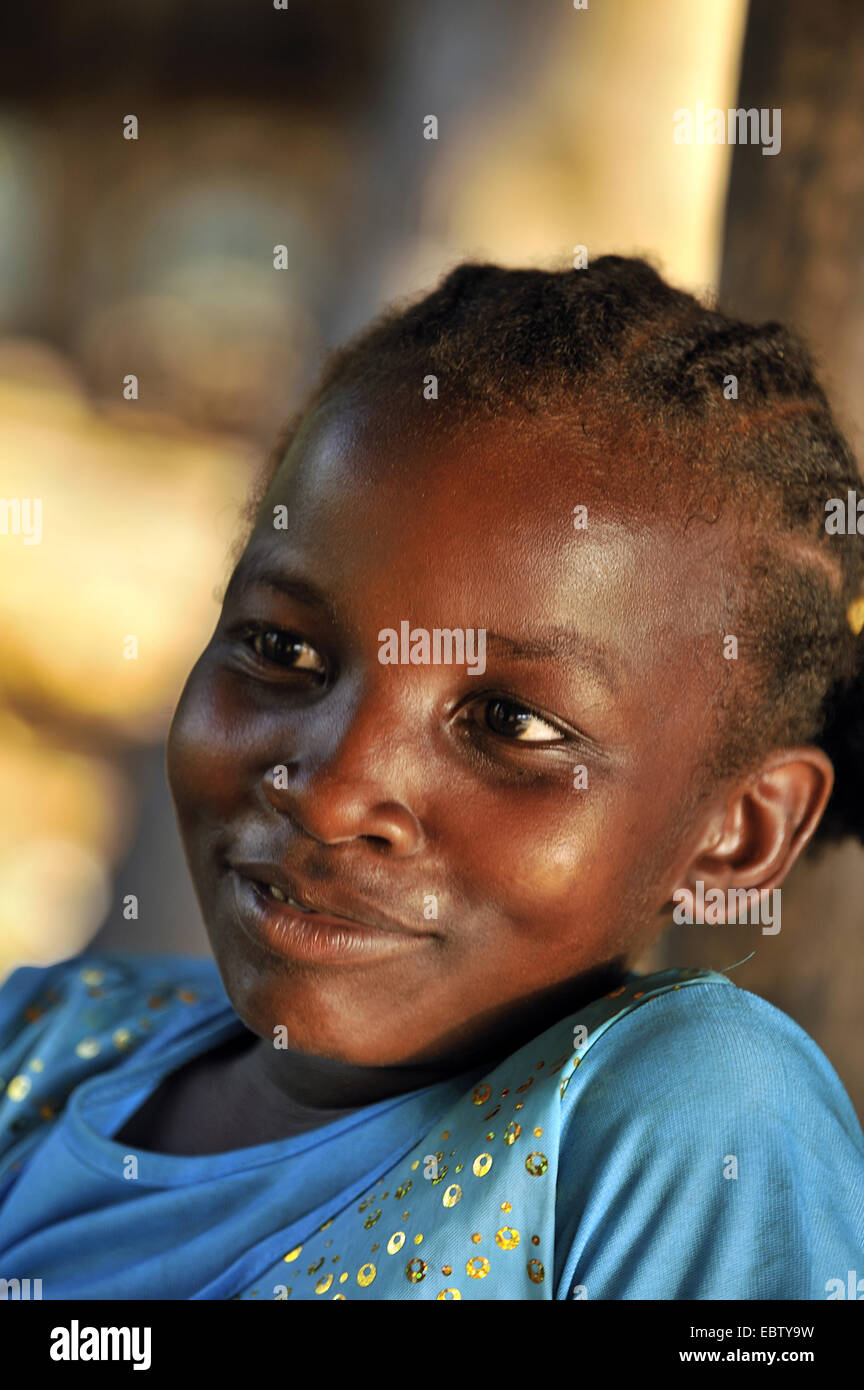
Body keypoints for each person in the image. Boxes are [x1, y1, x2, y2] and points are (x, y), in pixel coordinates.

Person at [1, 256, 862, 1301]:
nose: (329, 791)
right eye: (282, 650)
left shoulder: (691, 1106)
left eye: (510, 722)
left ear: (739, 830)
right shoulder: (44, 1043)